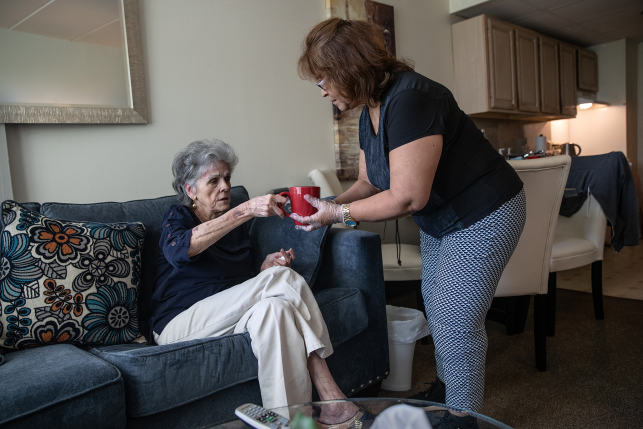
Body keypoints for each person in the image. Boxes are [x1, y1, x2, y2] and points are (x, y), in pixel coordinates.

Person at [294, 18, 527, 429]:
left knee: (456, 318)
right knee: (438, 311)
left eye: (324, 79)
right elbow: (368, 182)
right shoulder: (369, 111)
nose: (323, 89)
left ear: (349, 67)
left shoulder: (412, 98)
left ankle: (462, 418)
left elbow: (406, 196)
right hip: (442, 220)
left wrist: (336, 215)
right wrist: (327, 204)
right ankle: (449, 389)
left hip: (485, 210)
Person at [148, 139, 363, 426]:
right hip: (179, 324)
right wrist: (245, 210)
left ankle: (293, 422)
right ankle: (329, 391)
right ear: (190, 190)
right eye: (213, 180)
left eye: (226, 178)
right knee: (283, 280)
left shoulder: (236, 230)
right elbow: (181, 249)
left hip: (228, 318)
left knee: (276, 311)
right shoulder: (178, 217)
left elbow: (241, 286)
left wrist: (264, 269)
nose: (224, 186)